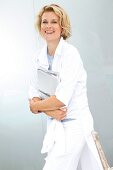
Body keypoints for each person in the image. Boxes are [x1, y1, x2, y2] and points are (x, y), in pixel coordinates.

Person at [29, 4, 103, 170]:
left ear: (62, 27)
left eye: (54, 22)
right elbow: (33, 96)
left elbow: (60, 100)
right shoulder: (38, 57)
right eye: (44, 22)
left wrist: (37, 106)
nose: (48, 26)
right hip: (57, 124)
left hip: (76, 125)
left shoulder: (71, 55)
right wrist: (47, 109)